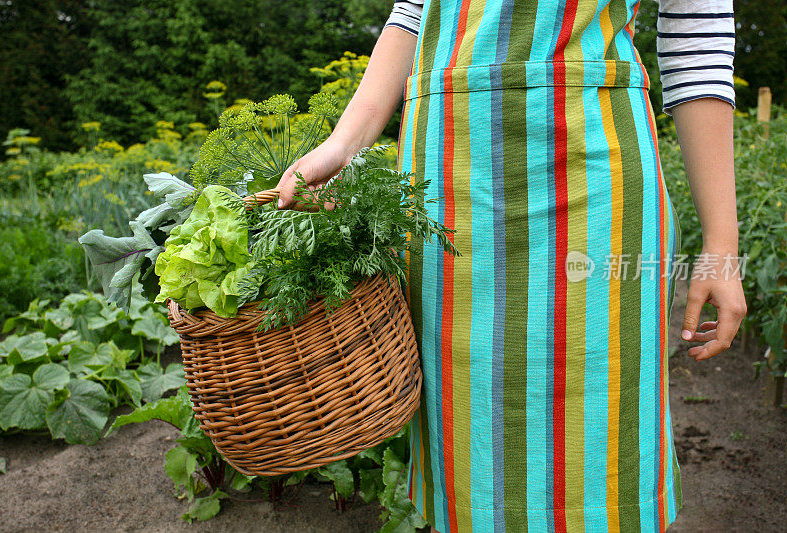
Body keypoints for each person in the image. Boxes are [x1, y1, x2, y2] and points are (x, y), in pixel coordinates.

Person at [276, 0, 748, 531]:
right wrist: (343, 144)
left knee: (598, 447)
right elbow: (413, 12)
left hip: (594, 175)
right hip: (448, 187)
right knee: (471, 458)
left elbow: (696, 27)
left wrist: (721, 243)